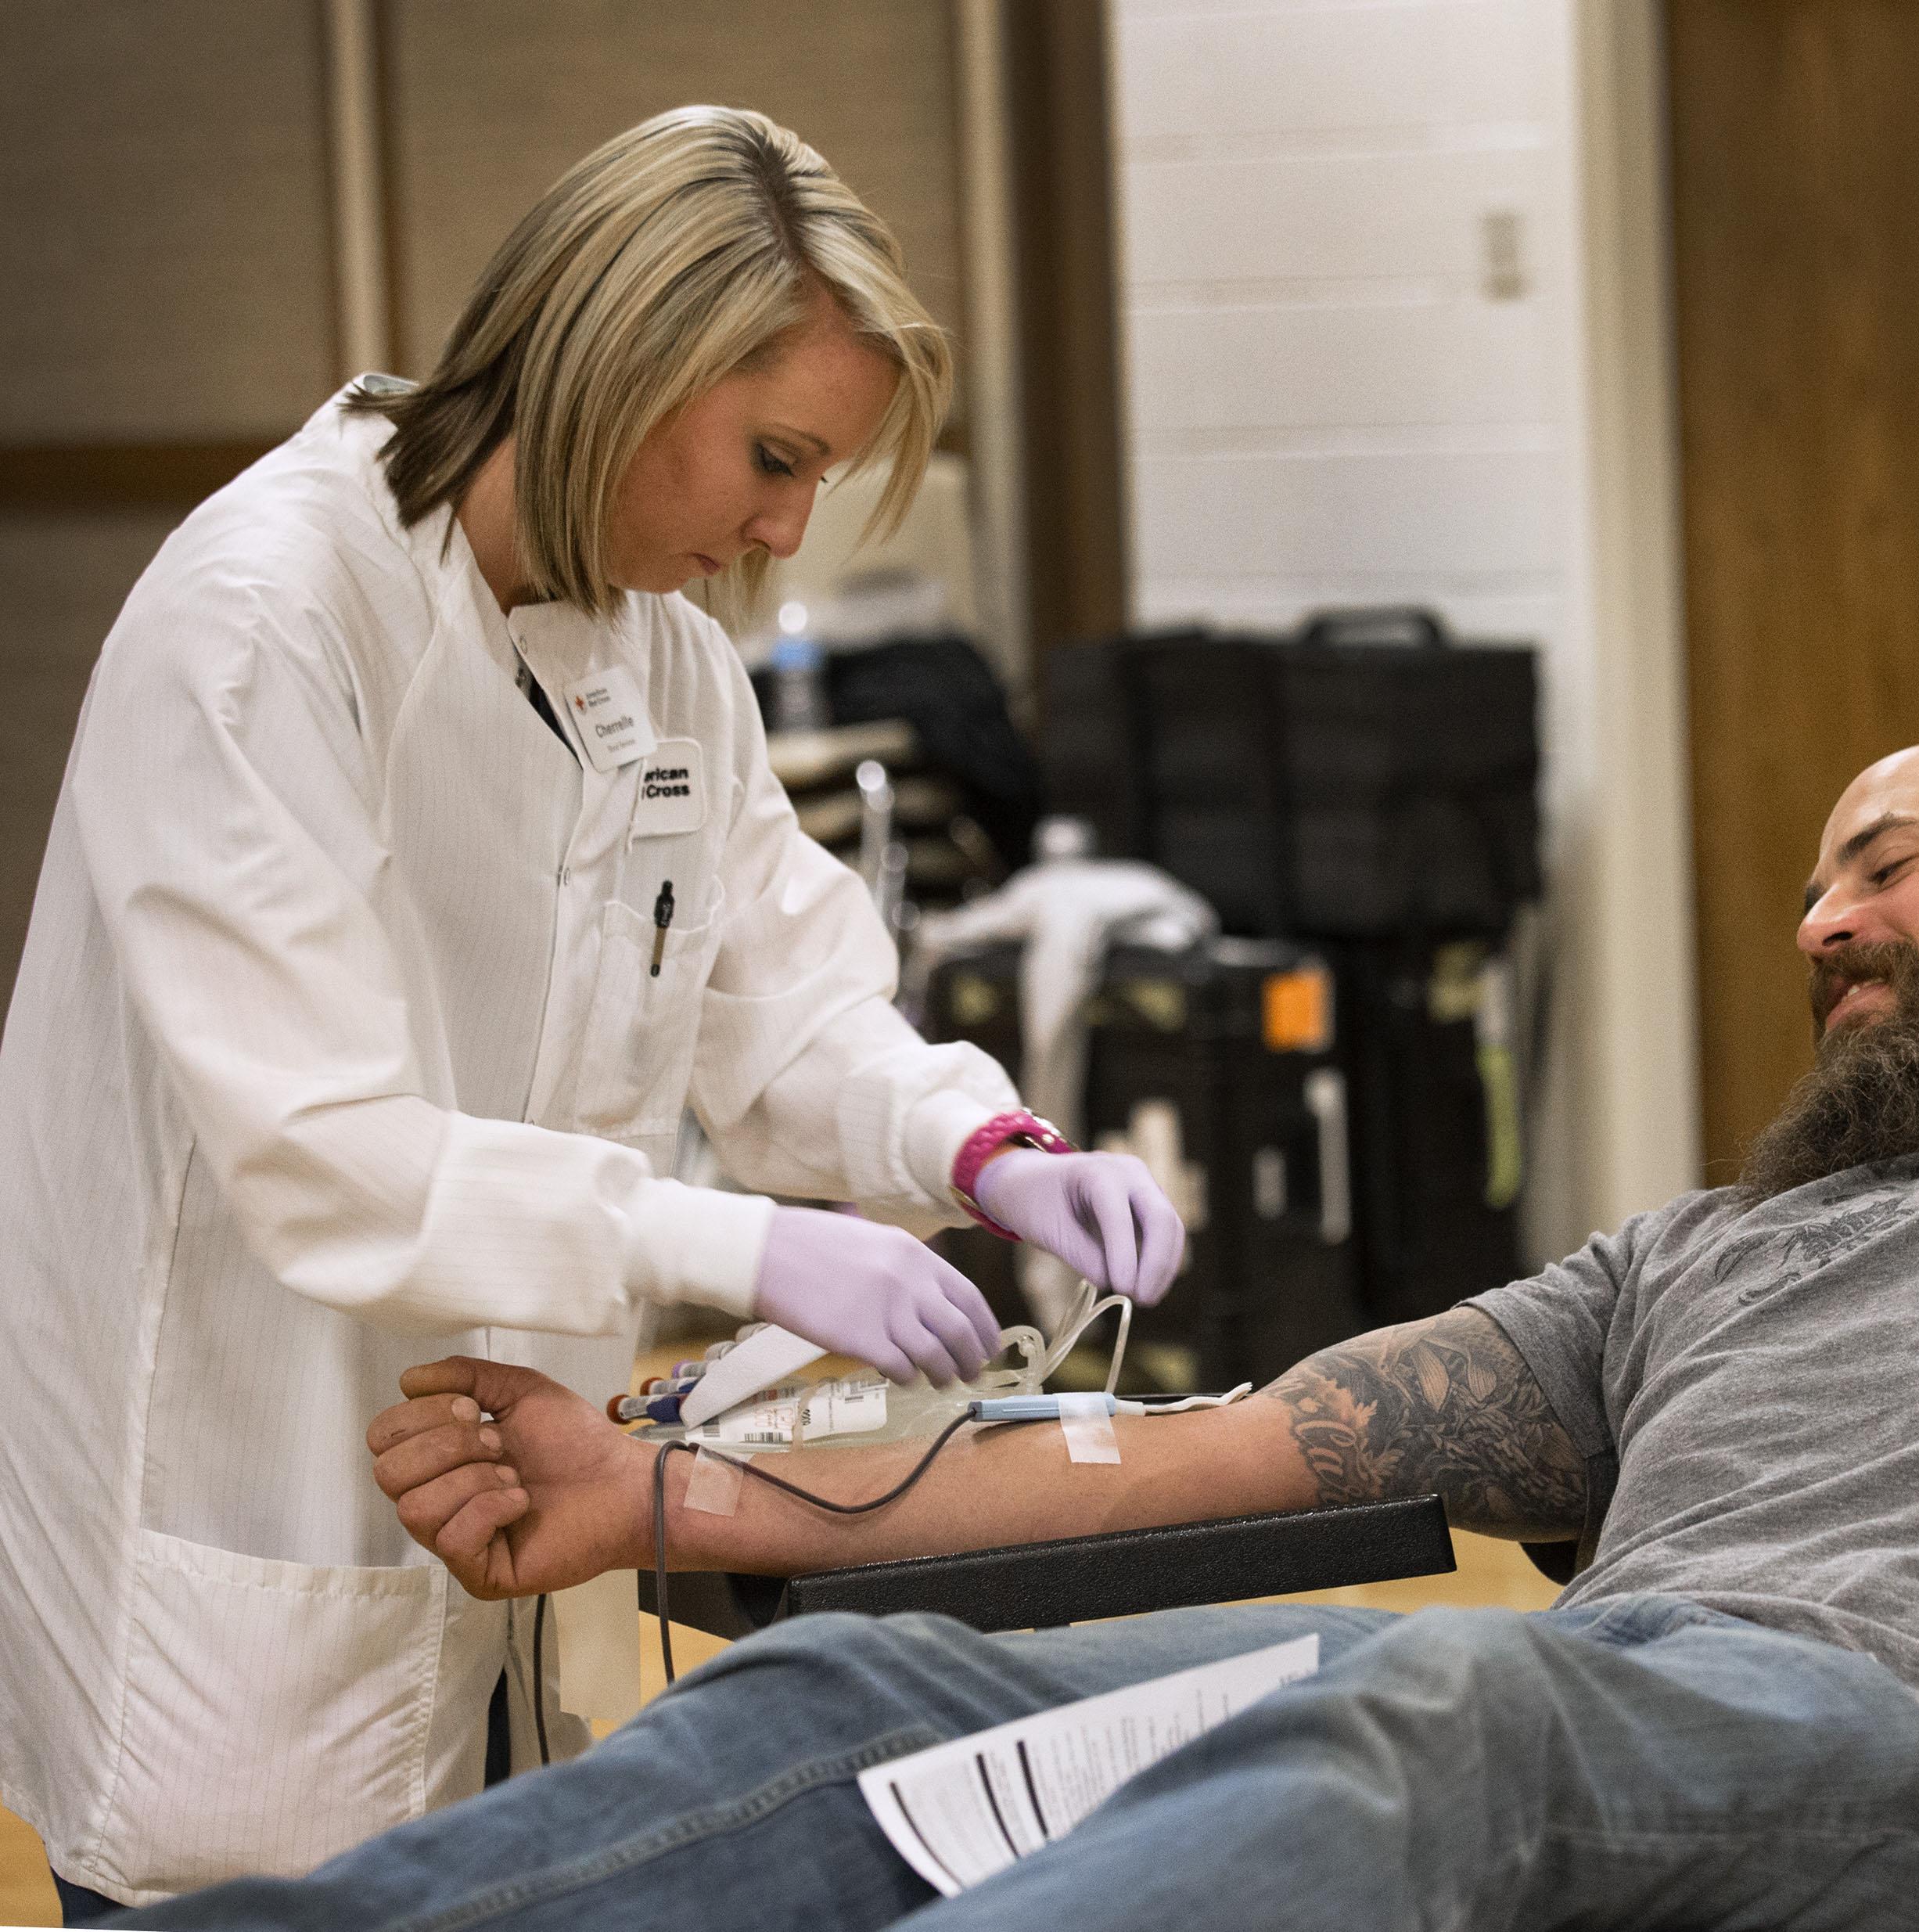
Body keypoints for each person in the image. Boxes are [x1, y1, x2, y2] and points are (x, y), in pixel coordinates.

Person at [131, 649, 1919, 1932]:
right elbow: (1204, 1451)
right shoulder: (1700, 1260)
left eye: (1884, 866)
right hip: (1610, 1718)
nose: (1818, 923)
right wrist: (653, 1484)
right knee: (879, 1708)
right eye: (1817, 888)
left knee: (1441, 1708)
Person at [0, 107, 1187, 1919]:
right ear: (624, 349)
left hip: (511, 1510)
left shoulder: (661, 659)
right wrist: (750, 1240)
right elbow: (323, 1150)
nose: (781, 527)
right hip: (254, 1516)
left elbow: (787, 1004)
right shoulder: (268, 620)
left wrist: (985, 1142)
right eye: (773, 457)